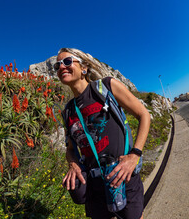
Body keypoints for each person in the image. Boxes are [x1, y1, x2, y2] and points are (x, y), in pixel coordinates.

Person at [58, 48, 151, 219]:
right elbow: (71, 149)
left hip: (123, 176)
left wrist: (135, 154)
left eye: (67, 61)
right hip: (94, 185)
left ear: (83, 68)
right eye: (58, 65)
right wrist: (73, 164)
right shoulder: (68, 111)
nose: (61, 67)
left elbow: (144, 115)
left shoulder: (107, 87)